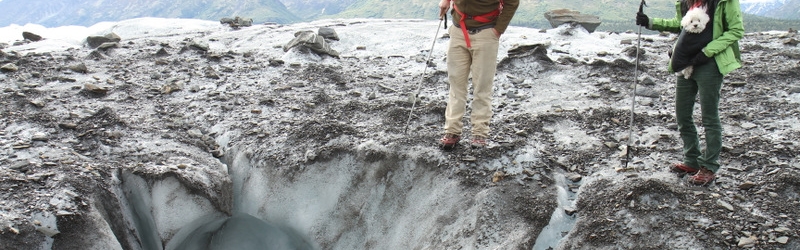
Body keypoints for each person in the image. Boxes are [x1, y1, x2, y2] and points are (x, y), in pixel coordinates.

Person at [636, 0, 744, 185]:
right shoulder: (686, 2)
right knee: (683, 114)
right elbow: (680, 25)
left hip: (710, 63)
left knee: (709, 117)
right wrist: (650, 22)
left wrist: (707, 52)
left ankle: (709, 166)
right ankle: (692, 160)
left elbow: (736, 31)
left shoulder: (725, 1)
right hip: (686, 62)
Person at [437, 0, 519, 150]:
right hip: (458, 30)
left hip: (486, 32)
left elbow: (512, 2)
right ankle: (452, 131)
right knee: (456, 83)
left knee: (482, 85)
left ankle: (479, 133)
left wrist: (498, 30)